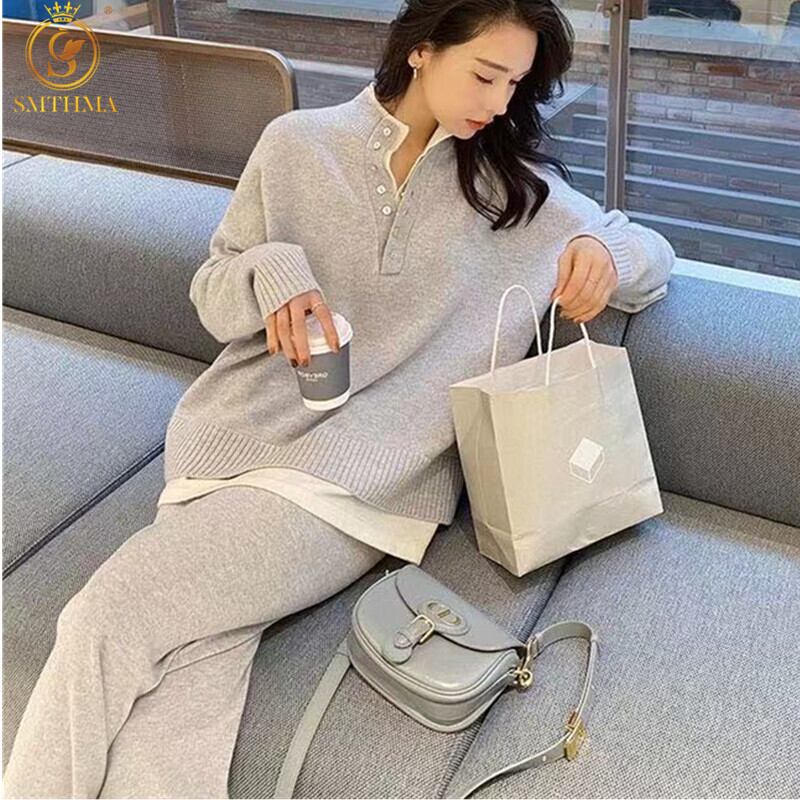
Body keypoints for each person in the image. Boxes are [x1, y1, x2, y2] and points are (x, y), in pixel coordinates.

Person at [3, 0, 676, 795]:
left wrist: (603, 249)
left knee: (104, 619)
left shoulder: (515, 197)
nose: (498, 103)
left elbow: (652, 254)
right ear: (422, 50)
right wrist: (270, 270)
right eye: (485, 75)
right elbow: (214, 294)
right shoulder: (296, 144)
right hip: (227, 443)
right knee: (185, 673)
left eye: (515, 84)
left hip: (355, 491)